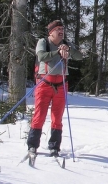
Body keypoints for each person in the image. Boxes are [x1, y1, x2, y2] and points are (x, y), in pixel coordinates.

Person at [27, 20, 83, 157]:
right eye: (58, 29)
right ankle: (33, 145)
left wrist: (68, 50)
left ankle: (54, 147)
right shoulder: (43, 42)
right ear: (51, 32)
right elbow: (41, 56)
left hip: (61, 85)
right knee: (39, 115)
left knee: (57, 118)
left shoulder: (66, 44)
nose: (61, 31)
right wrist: (57, 52)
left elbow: (79, 56)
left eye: (62, 29)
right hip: (44, 84)